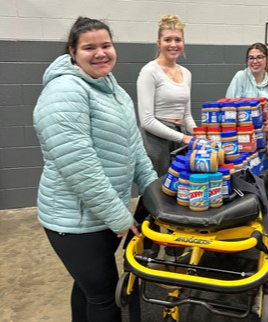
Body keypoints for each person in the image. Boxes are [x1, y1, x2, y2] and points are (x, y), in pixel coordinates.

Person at [33, 17, 158, 322]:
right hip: (74, 221)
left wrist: (157, 196)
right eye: (89, 47)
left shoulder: (114, 91)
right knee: (105, 298)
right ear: (72, 52)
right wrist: (119, 217)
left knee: (88, 288)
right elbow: (80, 167)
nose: (100, 53)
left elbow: (135, 152)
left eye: (106, 45)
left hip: (100, 217)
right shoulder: (65, 91)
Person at [137, 15, 196, 177]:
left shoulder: (186, 73)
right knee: (156, 191)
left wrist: (199, 134)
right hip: (157, 141)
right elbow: (147, 120)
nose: (173, 44)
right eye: (167, 40)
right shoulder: (150, 71)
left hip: (180, 137)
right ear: (159, 43)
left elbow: (187, 115)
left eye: (178, 40)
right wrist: (184, 138)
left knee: (179, 188)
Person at [226, 42, 268, 138]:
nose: (255, 61)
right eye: (251, 58)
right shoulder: (240, 77)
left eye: (259, 57)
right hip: (243, 136)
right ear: (247, 61)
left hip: (265, 136)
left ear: (267, 59)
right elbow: (229, 108)